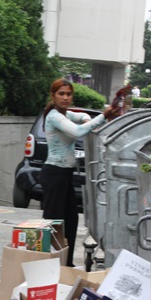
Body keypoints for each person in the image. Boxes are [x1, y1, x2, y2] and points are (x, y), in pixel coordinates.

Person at [40, 78, 121, 267]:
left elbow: (82, 116)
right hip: (54, 174)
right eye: (61, 94)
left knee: (70, 220)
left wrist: (88, 119)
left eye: (68, 94)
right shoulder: (54, 116)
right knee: (53, 223)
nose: (65, 97)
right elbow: (77, 132)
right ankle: (48, 265)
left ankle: (65, 265)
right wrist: (103, 115)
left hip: (64, 174)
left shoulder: (65, 114)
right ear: (53, 96)